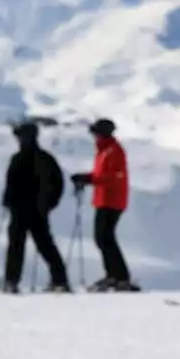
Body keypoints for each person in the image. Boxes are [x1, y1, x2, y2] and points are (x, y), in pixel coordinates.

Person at [0, 121, 69, 293]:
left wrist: (8, 200)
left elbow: (11, 184)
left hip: (23, 211)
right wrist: (50, 204)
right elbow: (58, 184)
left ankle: (11, 282)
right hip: (36, 211)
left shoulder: (19, 159)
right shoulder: (45, 158)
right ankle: (59, 280)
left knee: (18, 247)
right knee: (45, 246)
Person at [71, 118, 137, 291]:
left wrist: (89, 179)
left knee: (105, 238)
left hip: (112, 200)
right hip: (105, 199)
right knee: (103, 238)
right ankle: (114, 276)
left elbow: (115, 177)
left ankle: (120, 277)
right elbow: (102, 174)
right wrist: (86, 178)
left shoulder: (114, 151)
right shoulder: (105, 151)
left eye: (95, 132)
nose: (94, 136)